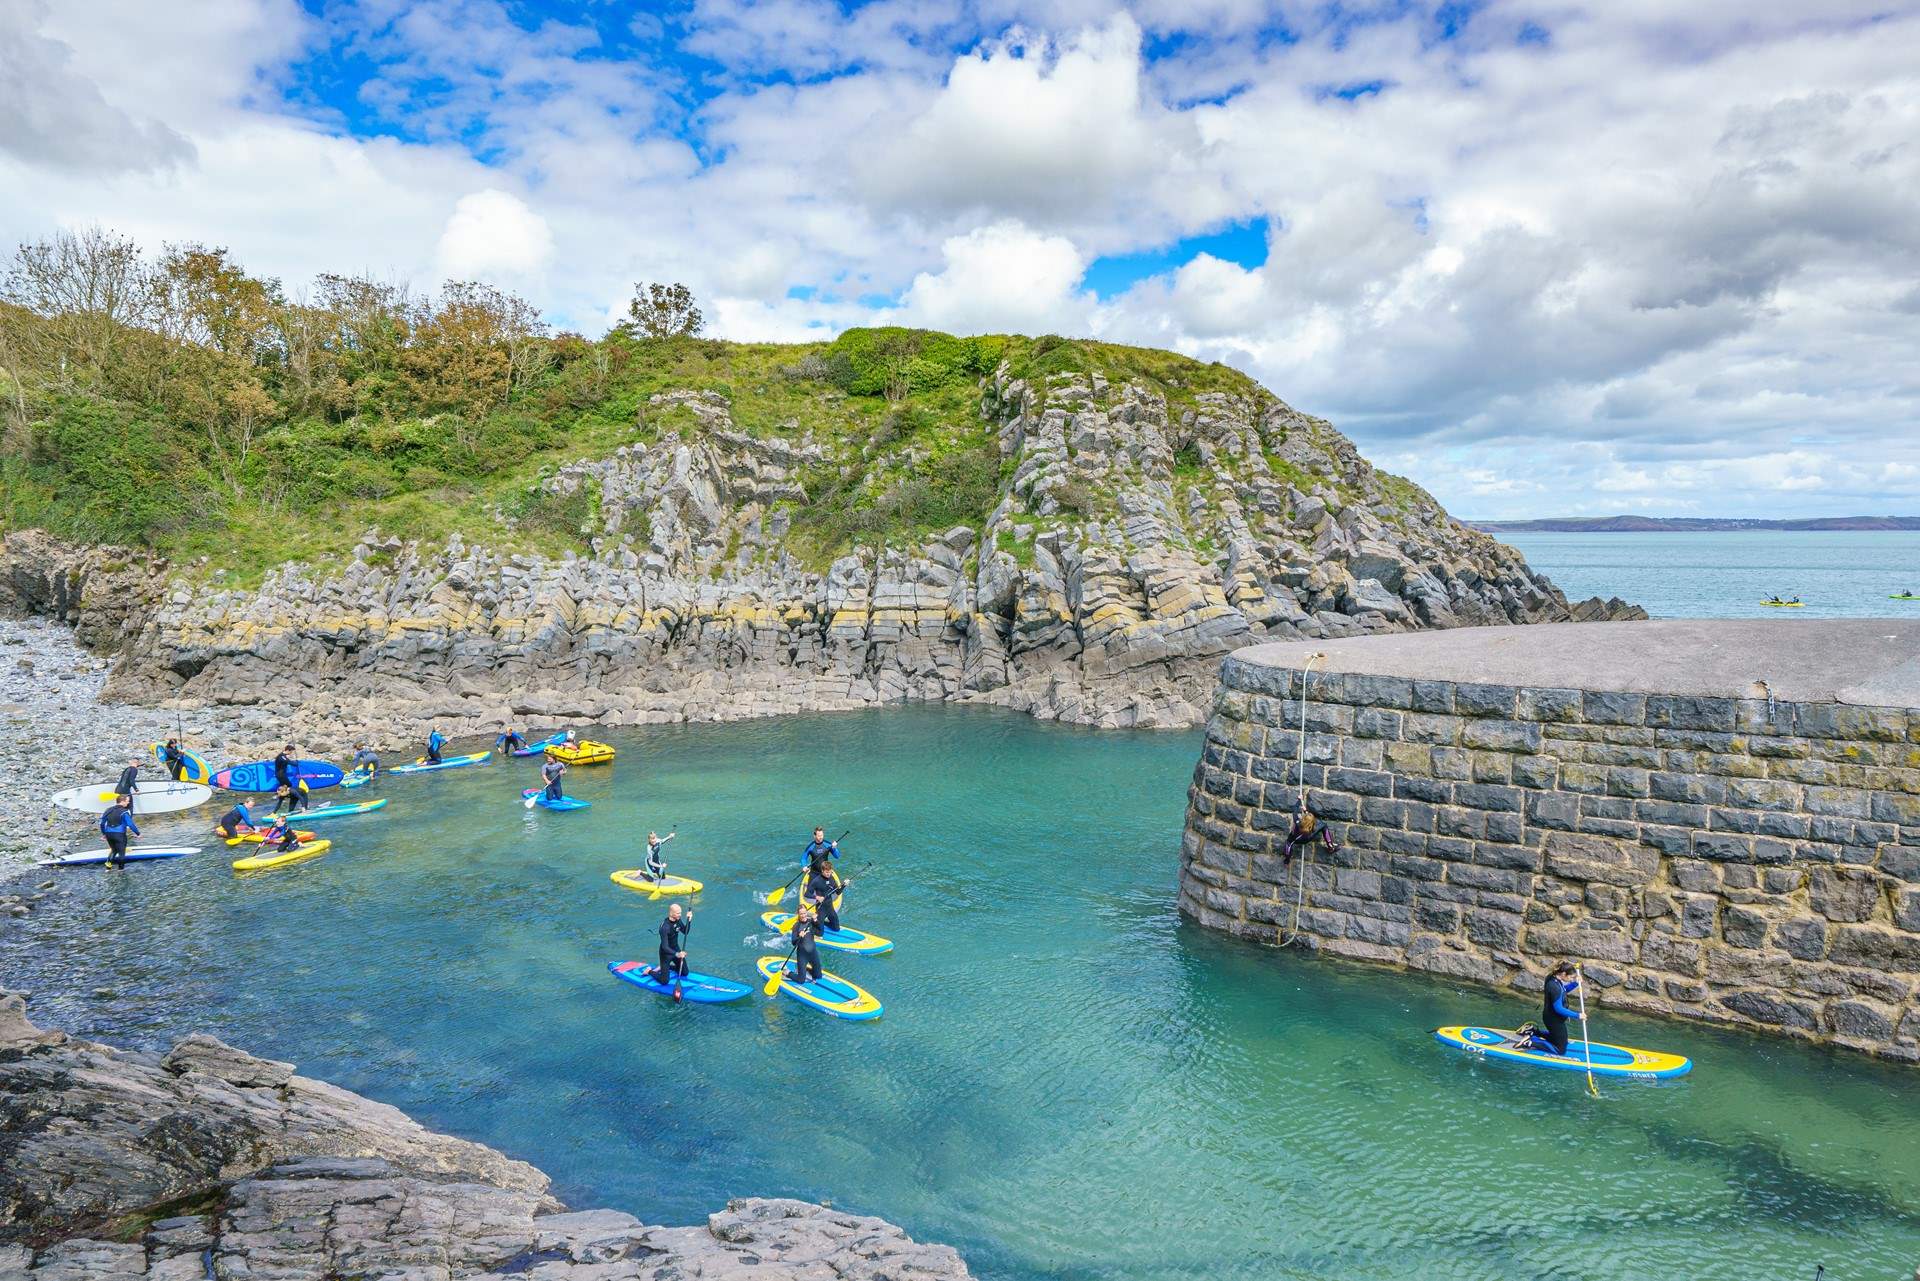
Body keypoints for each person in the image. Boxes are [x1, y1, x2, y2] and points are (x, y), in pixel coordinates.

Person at [1539, 960, 1582, 1056]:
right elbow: (1558, 1008)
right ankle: (1530, 1043)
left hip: (1552, 1017)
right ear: (1563, 974)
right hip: (1553, 1020)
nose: (1571, 979)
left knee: (1561, 1040)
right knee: (1560, 1050)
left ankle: (1534, 1032)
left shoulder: (1553, 978)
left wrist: (1575, 983)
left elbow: (1564, 990)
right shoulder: (1554, 986)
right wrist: (1577, 1015)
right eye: (1571, 977)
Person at [654, 902, 693, 999]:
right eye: (678, 913)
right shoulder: (664, 927)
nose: (680, 915)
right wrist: (677, 954)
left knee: (685, 972)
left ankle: (664, 968)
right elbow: (664, 947)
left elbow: (685, 932)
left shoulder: (678, 920)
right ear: (671, 913)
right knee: (664, 981)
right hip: (666, 954)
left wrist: (689, 920)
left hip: (676, 949)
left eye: (680, 913)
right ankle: (650, 971)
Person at [801, 856, 843, 935]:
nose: (829, 874)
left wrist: (844, 885)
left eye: (830, 872)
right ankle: (814, 922)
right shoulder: (816, 881)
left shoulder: (832, 878)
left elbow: (837, 892)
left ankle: (820, 922)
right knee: (820, 933)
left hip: (830, 908)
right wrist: (817, 897)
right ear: (822, 871)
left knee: (836, 928)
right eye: (827, 872)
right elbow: (807, 894)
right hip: (821, 909)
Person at [785, 904, 824, 985]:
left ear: (807, 913)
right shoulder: (796, 926)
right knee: (801, 980)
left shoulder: (811, 922)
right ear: (798, 914)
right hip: (802, 955)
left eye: (804, 913)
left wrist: (816, 920)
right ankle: (788, 973)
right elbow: (793, 942)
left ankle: (804, 969)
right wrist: (799, 936)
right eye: (801, 914)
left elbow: (820, 933)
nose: (803, 915)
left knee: (818, 976)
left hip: (813, 953)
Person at [98, 799, 140, 867]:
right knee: (121, 853)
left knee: (114, 851)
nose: (128, 802)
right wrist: (138, 833)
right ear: (122, 801)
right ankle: (121, 871)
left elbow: (102, 823)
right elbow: (130, 824)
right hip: (119, 835)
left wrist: (104, 834)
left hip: (109, 834)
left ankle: (108, 868)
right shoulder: (124, 811)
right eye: (127, 801)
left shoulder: (108, 810)